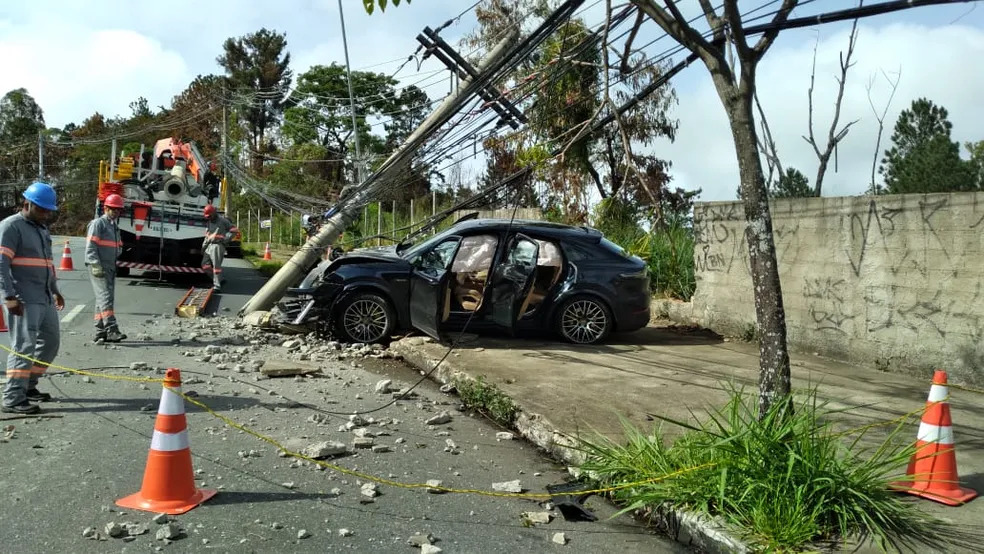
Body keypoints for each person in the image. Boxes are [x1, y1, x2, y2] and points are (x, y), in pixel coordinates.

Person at [0, 182, 65, 415]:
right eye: (41, 209)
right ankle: (13, 398)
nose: (46, 214)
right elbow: (1, 265)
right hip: (23, 298)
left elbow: (47, 264)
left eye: (49, 211)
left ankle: (28, 386)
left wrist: (55, 290)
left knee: (50, 343)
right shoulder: (10, 227)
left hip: (44, 296)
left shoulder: (41, 229)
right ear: (26, 203)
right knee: (23, 347)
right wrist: (9, 297)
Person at [86, 193, 125, 343]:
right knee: (105, 298)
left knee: (102, 299)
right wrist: (95, 264)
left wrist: (118, 252)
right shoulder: (98, 224)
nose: (115, 212)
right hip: (99, 266)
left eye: (118, 210)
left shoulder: (114, 226)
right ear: (106, 208)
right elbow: (91, 246)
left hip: (110, 266)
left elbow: (117, 245)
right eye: (113, 209)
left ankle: (100, 330)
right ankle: (112, 329)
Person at [201, 204, 237, 291]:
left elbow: (234, 231)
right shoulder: (209, 222)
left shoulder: (223, 221)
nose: (208, 218)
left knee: (216, 267)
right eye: (207, 216)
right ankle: (220, 279)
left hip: (218, 246)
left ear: (213, 213)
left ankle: (217, 286)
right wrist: (203, 247)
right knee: (205, 265)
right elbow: (207, 236)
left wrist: (225, 239)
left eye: (209, 216)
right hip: (209, 245)